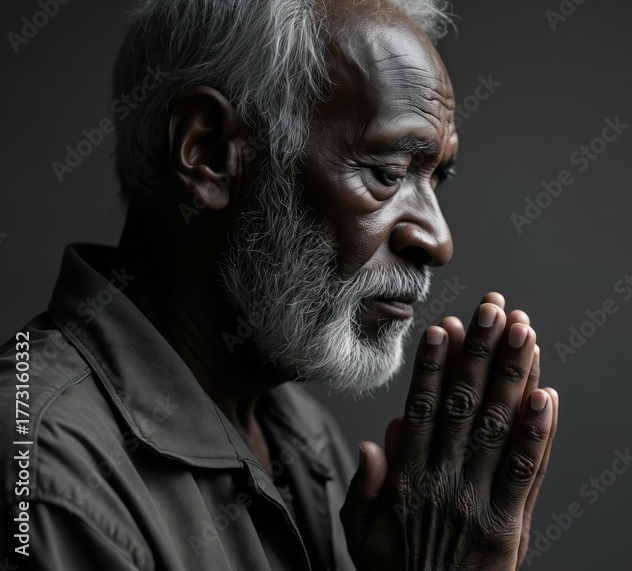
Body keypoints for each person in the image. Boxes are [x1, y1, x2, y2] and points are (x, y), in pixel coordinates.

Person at [0, 1, 559, 569]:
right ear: (211, 153)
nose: (439, 241)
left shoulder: (301, 435)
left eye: (436, 177)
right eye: (387, 174)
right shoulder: (43, 467)